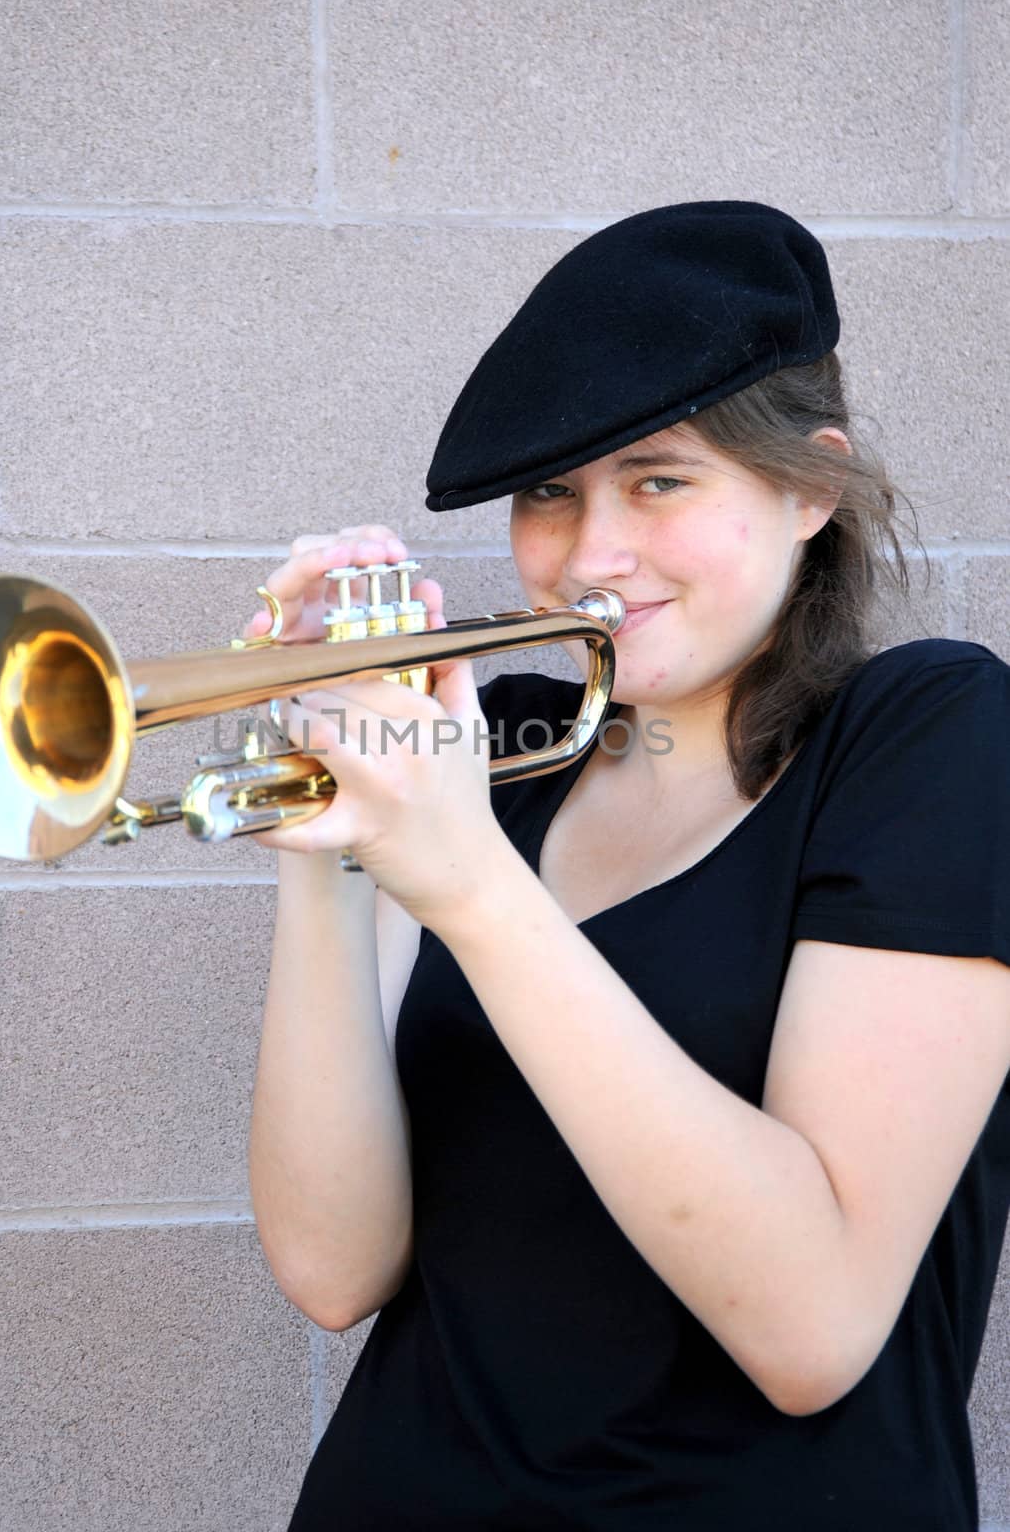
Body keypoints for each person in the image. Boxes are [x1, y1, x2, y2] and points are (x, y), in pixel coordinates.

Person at [246, 200, 1010, 1530]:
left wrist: (472, 890)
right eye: (553, 492)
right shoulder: (496, 748)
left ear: (811, 487)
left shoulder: (928, 736)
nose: (592, 558)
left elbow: (811, 1321)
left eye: (661, 479)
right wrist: (326, 849)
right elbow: (331, 1264)